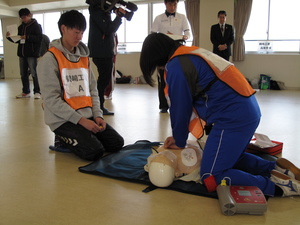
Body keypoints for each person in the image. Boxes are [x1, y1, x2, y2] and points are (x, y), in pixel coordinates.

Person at [139, 33, 300, 197]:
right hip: (248, 109)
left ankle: (279, 186)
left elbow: (181, 107)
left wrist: (179, 140)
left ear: (156, 57)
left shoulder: (176, 65)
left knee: (211, 176)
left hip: (232, 119)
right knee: (230, 158)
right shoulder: (189, 53)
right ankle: (276, 168)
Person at [37, 10, 124, 161]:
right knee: (94, 152)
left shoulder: (84, 58)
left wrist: (97, 115)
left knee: (116, 143)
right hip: (63, 120)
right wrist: (81, 121)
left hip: (86, 115)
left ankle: (84, 135)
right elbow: (51, 100)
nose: (79, 37)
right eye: (76, 32)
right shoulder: (49, 59)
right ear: (63, 29)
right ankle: (61, 139)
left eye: (82, 33)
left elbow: (93, 90)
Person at [151, 0, 191, 113]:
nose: (173, 7)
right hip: (163, 51)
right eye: (170, 4)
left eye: (175, 4)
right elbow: (153, 35)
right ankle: (163, 105)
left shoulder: (182, 17)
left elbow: (188, 34)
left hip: (178, 49)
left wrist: (181, 36)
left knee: (178, 77)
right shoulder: (159, 18)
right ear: (165, 4)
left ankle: (177, 103)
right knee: (162, 78)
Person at [87, 0, 126, 115]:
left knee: (104, 80)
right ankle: (98, 107)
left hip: (103, 51)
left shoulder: (99, 10)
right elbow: (108, 29)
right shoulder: (97, 11)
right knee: (103, 80)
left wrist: (115, 12)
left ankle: (98, 106)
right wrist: (118, 18)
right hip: (101, 52)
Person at [6, 8, 42, 99]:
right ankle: (25, 92)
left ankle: (37, 91)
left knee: (34, 73)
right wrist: (9, 37)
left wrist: (27, 37)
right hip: (22, 54)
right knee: (23, 73)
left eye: (24, 17)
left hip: (32, 54)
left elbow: (39, 39)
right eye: (21, 18)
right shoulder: (20, 27)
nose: (23, 19)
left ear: (29, 15)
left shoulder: (36, 26)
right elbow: (17, 40)